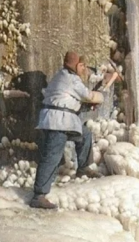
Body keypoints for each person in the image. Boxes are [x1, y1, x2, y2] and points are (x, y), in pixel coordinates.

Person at [29, 51, 117, 210]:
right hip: (57, 122)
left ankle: (83, 168)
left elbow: (69, 101)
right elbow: (89, 96)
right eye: (82, 65)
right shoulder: (70, 78)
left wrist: (84, 105)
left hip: (62, 119)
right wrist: (101, 93)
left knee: (85, 135)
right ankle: (38, 195)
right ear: (76, 65)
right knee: (52, 156)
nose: (84, 69)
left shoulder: (62, 77)